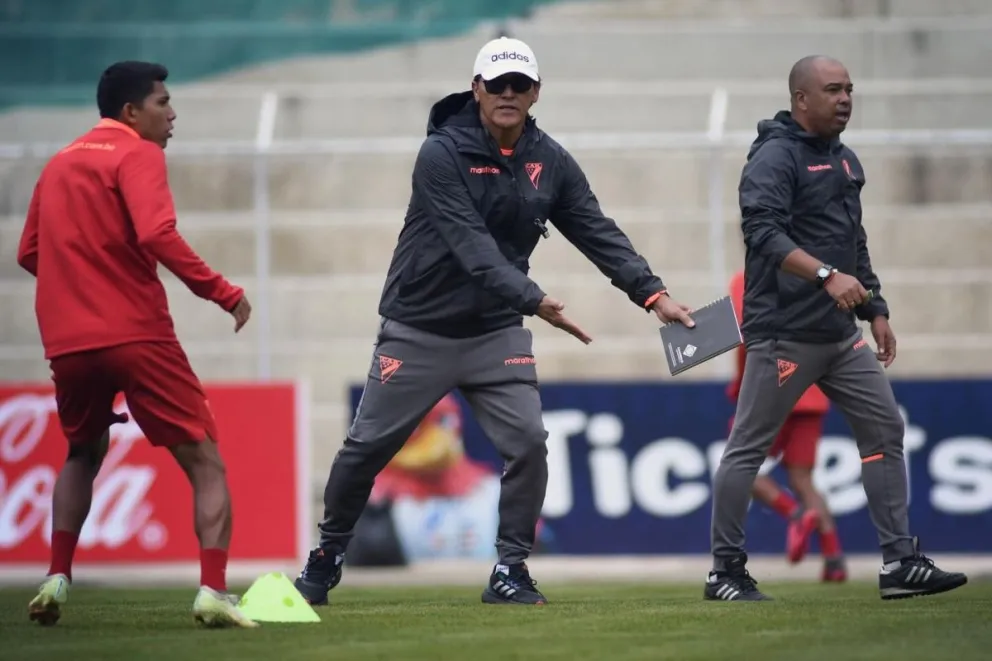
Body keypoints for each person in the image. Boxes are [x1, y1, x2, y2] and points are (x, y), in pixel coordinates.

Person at [293, 36, 694, 607]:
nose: (508, 93)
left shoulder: (550, 159)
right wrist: (536, 299)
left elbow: (595, 229)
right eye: (498, 83)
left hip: (496, 329)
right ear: (476, 88)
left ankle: (510, 569)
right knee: (365, 448)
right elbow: (472, 248)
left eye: (519, 84)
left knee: (529, 442)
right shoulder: (439, 154)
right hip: (419, 327)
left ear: (536, 92)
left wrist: (654, 295)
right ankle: (328, 554)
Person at [705, 55, 968, 602]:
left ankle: (899, 563)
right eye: (832, 89)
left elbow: (854, 243)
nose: (845, 98)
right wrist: (826, 275)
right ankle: (725, 572)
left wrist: (876, 309)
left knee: (884, 430)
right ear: (801, 98)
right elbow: (762, 233)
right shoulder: (774, 157)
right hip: (784, 333)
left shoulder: (845, 160)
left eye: (849, 88)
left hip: (841, 336)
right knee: (748, 449)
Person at [17, 61, 257, 628]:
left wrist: (80, 287)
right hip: (136, 333)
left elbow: (29, 253)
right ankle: (213, 590)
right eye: (162, 103)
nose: (172, 114)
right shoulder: (138, 153)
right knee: (206, 461)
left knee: (81, 453)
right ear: (130, 112)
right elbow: (156, 233)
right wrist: (222, 292)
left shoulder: (59, 163)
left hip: (68, 340)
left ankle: (56, 575)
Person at [728, 269, 846, 582]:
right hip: (812, 390)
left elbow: (746, 331)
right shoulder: (813, 277)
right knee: (803, 479)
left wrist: (741, 386)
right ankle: (834, 560)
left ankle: (796, 514)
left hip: (771, 387)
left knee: (740, 468)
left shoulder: (746, 279)